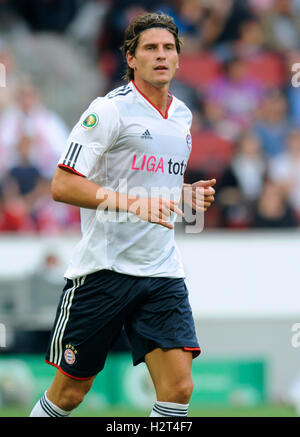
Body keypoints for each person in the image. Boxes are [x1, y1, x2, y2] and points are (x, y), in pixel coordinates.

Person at [29, 12, 216, 418]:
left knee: (179, 388)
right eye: (150, 48)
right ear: (131, 59)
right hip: (104, 271)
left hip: (161, 271)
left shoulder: (182, 116)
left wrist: (183, 193)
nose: (161, 55)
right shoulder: (108, 111)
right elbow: (62, 185)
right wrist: (133, 203)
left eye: (169, 48)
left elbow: (146, 182)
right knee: (69, 395)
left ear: (180, 58)